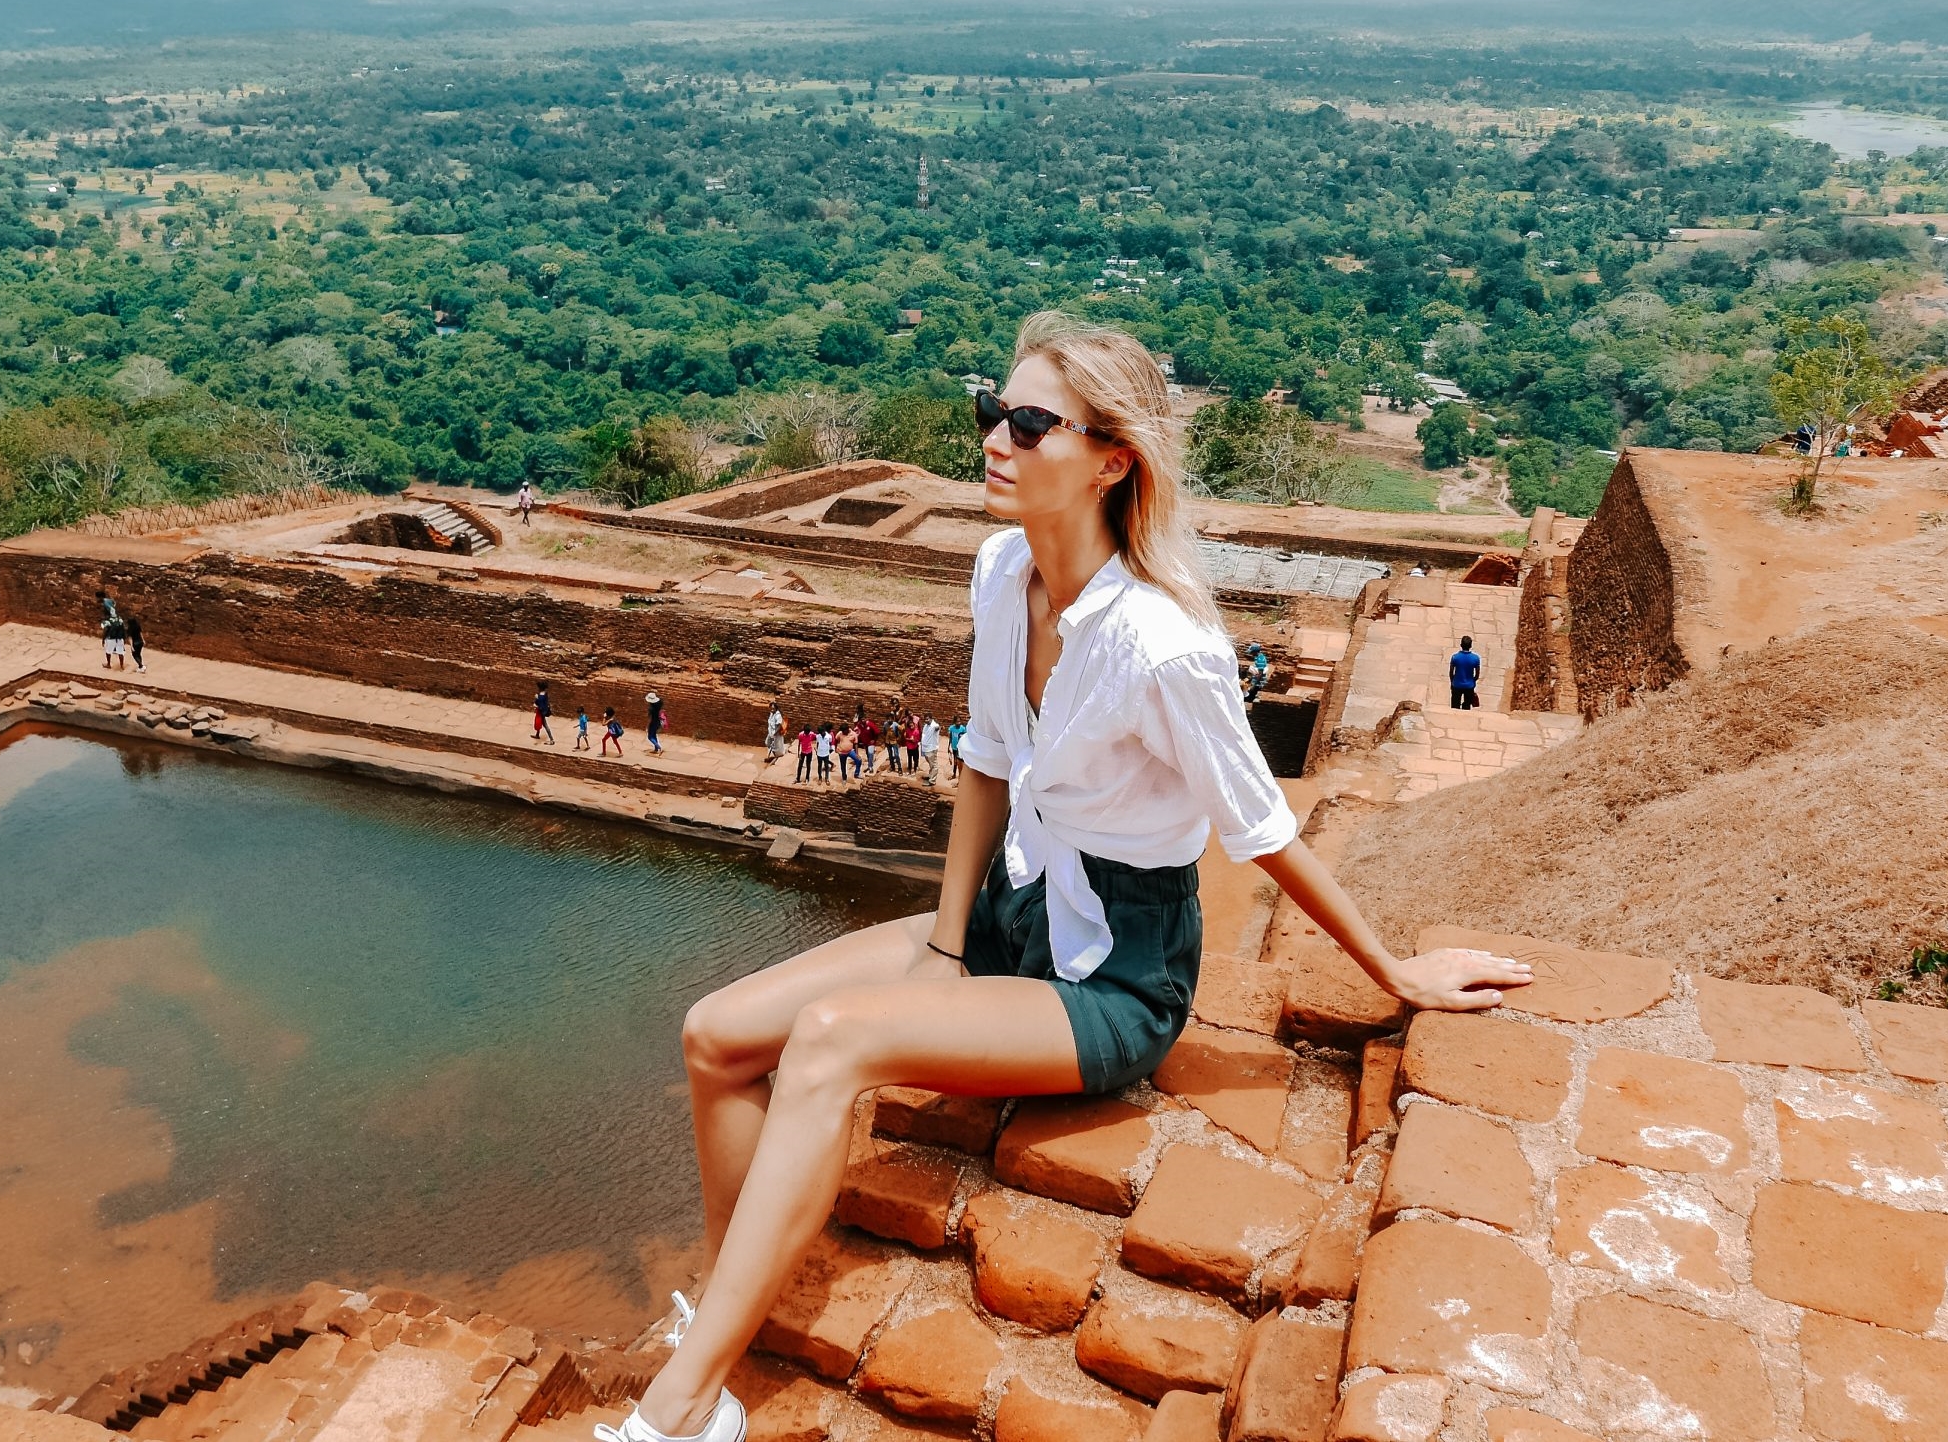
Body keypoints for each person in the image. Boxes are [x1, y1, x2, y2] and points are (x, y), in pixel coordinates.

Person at [593, 312, 1531, 1442]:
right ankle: (735, 1320)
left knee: (832, 1039)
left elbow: (1263, 828)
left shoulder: (1164, 645)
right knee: (714, 1032)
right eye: (995, 410)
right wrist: (947, 945)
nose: (996, 436)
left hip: (1113, 975)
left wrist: (1392, 967)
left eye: (1030, 422)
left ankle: (682, 1400)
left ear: (1111, 457)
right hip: (1007, 914)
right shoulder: (1003, 570)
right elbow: (986, 765)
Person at [1450, 634, 1482, 710]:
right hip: (1469, 686)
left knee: (1455, 705)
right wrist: (1473, 680)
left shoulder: (1455, 657)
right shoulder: (1476, 658)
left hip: (1457, 685)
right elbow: (1477, 675)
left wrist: (1452, 682)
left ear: (1461, 645)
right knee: (1467, 705)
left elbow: (1451, 673)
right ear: (1471, 646)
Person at [920, 714, 943, 783]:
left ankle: (932, 780)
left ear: (931, 719)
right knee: (930, 763)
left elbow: (937, 727)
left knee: (934, 765)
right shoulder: (926, 726)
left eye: (927, 719)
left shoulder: (934, 725)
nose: (926, 720)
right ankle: (930, 775)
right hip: (926, 748)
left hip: (931, 748)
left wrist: (939, 727)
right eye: (925, 719)